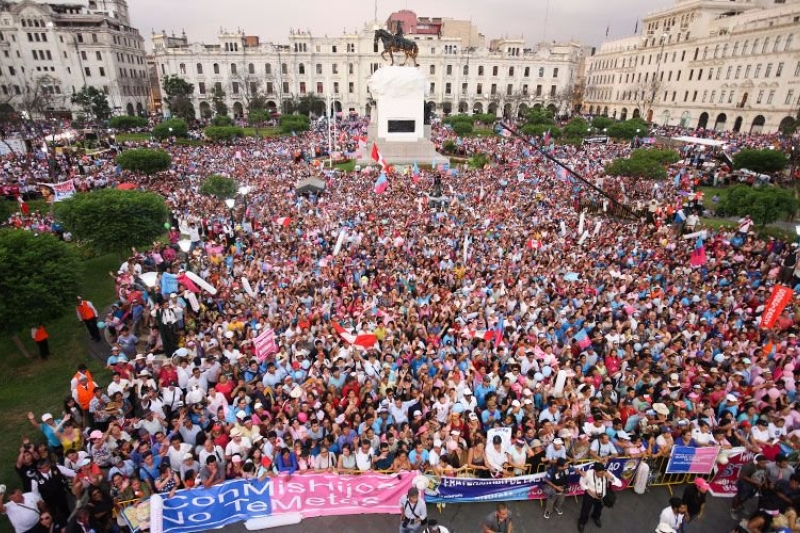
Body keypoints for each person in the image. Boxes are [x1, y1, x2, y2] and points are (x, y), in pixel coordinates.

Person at [577, 462, 622, 533]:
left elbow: (619, 484)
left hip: (602, 495)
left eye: (602, 473)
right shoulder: (588, 473)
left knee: (599, 509)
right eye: (600, 473)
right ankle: (582, 522)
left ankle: (596, 517)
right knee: (585, 509)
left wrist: (610, 477)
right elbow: (581, 482)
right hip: (589, 495)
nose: (601, 475)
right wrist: (590, 491)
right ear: (595, 471)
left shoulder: (606, 473)